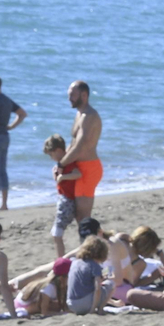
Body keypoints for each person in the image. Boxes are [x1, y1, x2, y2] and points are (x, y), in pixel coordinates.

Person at [59, 81, 103, 223]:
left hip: (89, 169)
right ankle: (92, 243)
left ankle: (93, 243)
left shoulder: (89, 116)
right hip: (80, 168)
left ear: (84, 95)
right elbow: (73, 144)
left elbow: (80, 147)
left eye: (72, 95)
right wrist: (61, 161)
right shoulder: (80, 114)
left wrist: (62, 164)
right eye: (69, 95)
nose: (69, 98)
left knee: (84, 218)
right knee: (79, 217)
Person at [0, 76, 26, 212]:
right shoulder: (7, 100)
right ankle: (4, 204)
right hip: (4, 136)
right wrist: (11, 126)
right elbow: (22, 113)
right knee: (2, 170)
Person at [44, 133, 82, 256]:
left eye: (51, 154)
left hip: (67, 201)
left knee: (57, 233)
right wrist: (56, 173)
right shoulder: (61, 165)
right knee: (57, 233)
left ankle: (60, 260)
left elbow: (77, 174)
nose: (51, 158)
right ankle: (61, 258)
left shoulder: (68, 163)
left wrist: (63, 177)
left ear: (59, 150)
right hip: (64, 199)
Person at [66, 236, 111, 315]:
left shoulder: (75, 262)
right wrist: (92, 310)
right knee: (111, 284)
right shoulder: (94, 265)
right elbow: (98, 289)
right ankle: (100, 309)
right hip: (84, 304)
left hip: (71, 304)